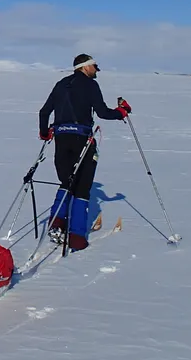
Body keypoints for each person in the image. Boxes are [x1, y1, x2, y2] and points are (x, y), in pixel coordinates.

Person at [37, 54, 131, 251]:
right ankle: (77, 236)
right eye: (95, 66)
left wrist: (45, 133)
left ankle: (57, 223)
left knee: (66, 181)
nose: (97, 70)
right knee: (82, 187)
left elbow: (44, 112)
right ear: (85, 67)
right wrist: (121, 112)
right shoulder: (90, 85)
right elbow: (103, 112)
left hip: (61, 139)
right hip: (83, 139)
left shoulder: (61, 84)